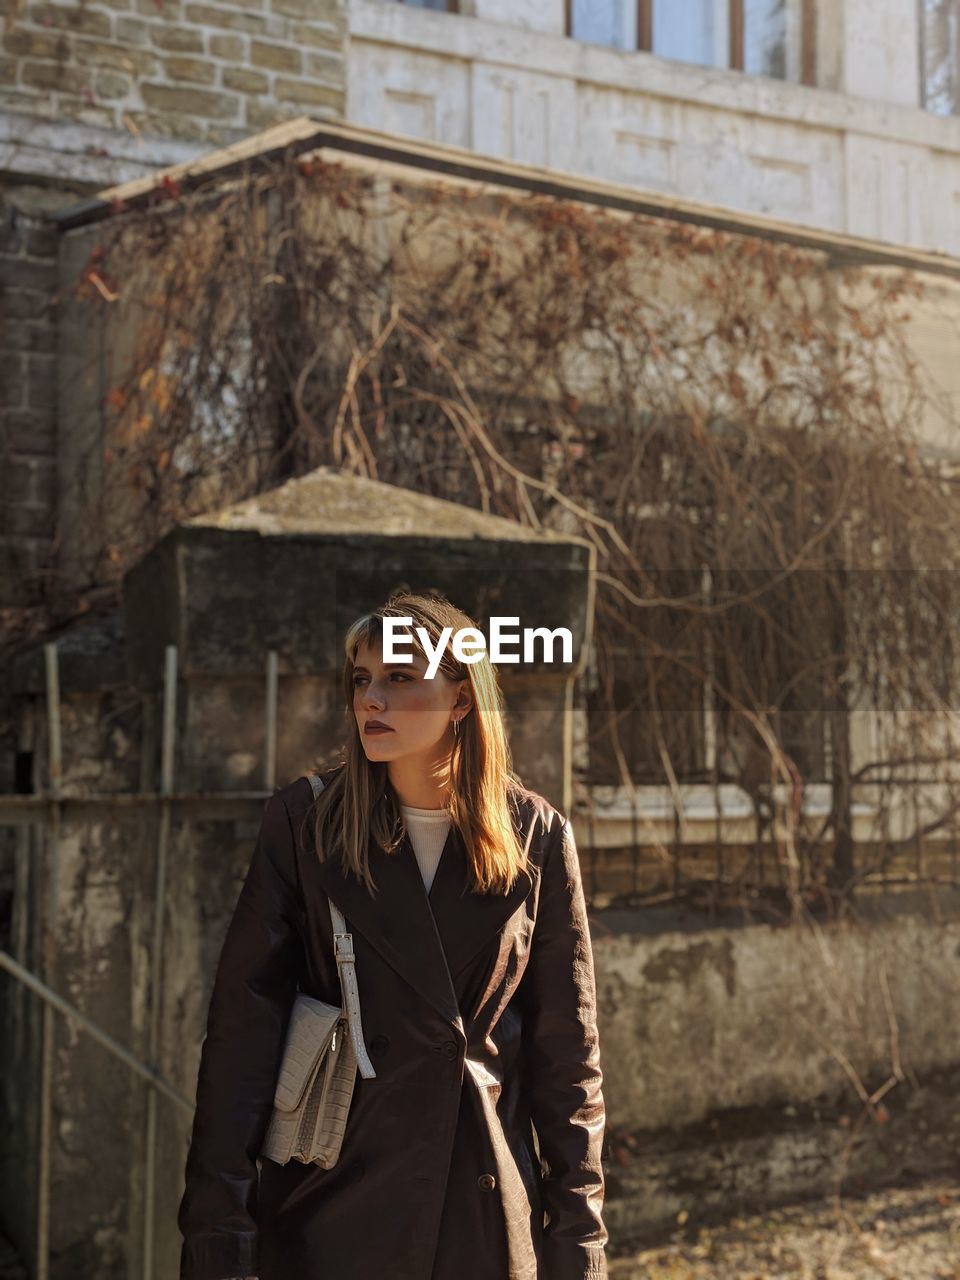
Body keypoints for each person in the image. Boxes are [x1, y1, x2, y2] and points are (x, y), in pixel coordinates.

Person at [177, 590, 609, 1280]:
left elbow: (568, 1060)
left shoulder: (538, 838)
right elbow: (240, 1043)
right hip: (329, 1211)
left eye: (400, 678)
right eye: (361, 680)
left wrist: (578, 1242)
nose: (370, 699)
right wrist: (220, 1235)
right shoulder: (306, 825)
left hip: (483, 1212)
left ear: (463, 699)